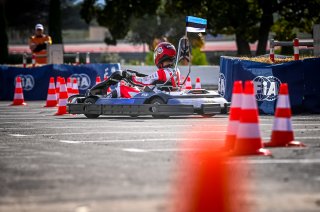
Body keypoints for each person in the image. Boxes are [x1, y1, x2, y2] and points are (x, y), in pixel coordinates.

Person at [116, 42, 181, 98]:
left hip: (154, 95)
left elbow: (144, 81)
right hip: (170, 93)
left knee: (121, 88)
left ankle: (106, 100)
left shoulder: (161, 72)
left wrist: (130, 77)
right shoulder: (176, 71)